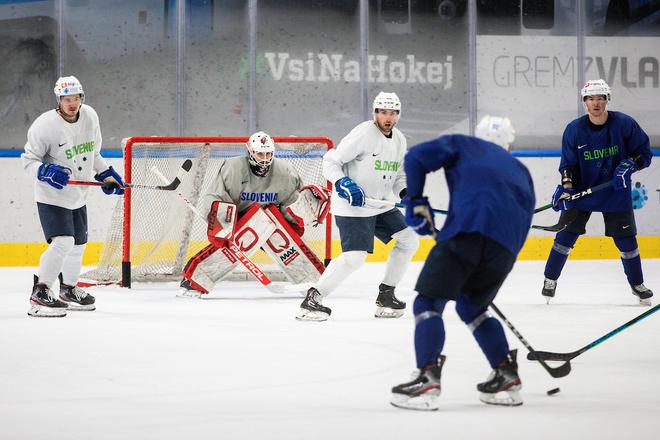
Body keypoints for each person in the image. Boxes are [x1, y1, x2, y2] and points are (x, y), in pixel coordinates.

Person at [390, 116, 535, 410]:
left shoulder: (464, 144)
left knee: (428, 303)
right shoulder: (521, 170)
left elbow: (415, 157)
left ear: (478, 135)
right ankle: (505, 373)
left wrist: (416, 200)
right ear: (508, 145)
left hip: (467, 233)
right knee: (472, 307)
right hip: (505, 249)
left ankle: (427, 376)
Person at [296, 92, 419, 321]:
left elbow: (398, 175)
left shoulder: (400, 139)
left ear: (398, 115)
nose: (387, 117)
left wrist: (406, 193)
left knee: (409, 240)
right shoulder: (364, 133)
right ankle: (313, 299)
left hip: (380, 204)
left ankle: (386, 295)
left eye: (392, 113)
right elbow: (331, 161)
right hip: (353, 206)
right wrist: (343, 183)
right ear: (375, 113)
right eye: (382, 112)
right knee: (355, 258)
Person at [541, 79, 653, 306]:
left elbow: (644, 153)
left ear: (607, 100)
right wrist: (566, 188)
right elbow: (568, 166)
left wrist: (630, 165)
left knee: (627, 242)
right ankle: (549, 279)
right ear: (585, 102)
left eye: (601, 98)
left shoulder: (624, 124)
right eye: (591, 98)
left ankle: (637, 284)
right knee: (564, 237)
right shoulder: (574, 129)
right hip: (583, 192)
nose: (596, 103)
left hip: (615, 192)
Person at [178, 131, 330, 297]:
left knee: (282, 241)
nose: (264, 158)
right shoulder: (233, 168)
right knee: (239, 241)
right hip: (240, 220)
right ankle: (195, 280)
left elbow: (293, 204)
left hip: (272, 220)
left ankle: (314, 282)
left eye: (268, 154)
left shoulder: (285, 171)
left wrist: (303, 213)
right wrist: (221, 223)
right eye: (260, 153)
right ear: (250, 151)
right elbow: (216, 197)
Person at [21, 75, 125, 318]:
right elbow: (28, 161)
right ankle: (41, 291)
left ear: (82, 98)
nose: (72, 103)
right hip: (52, 196)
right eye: (66, 99)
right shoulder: (44, 125)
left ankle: (68, 289)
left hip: (78, 194)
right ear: (58, 100)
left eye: (76, 98)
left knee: (78, 245)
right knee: (63, 242)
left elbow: (92, 151)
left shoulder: (90, 116)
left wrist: (105, 174)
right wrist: (45, 171)